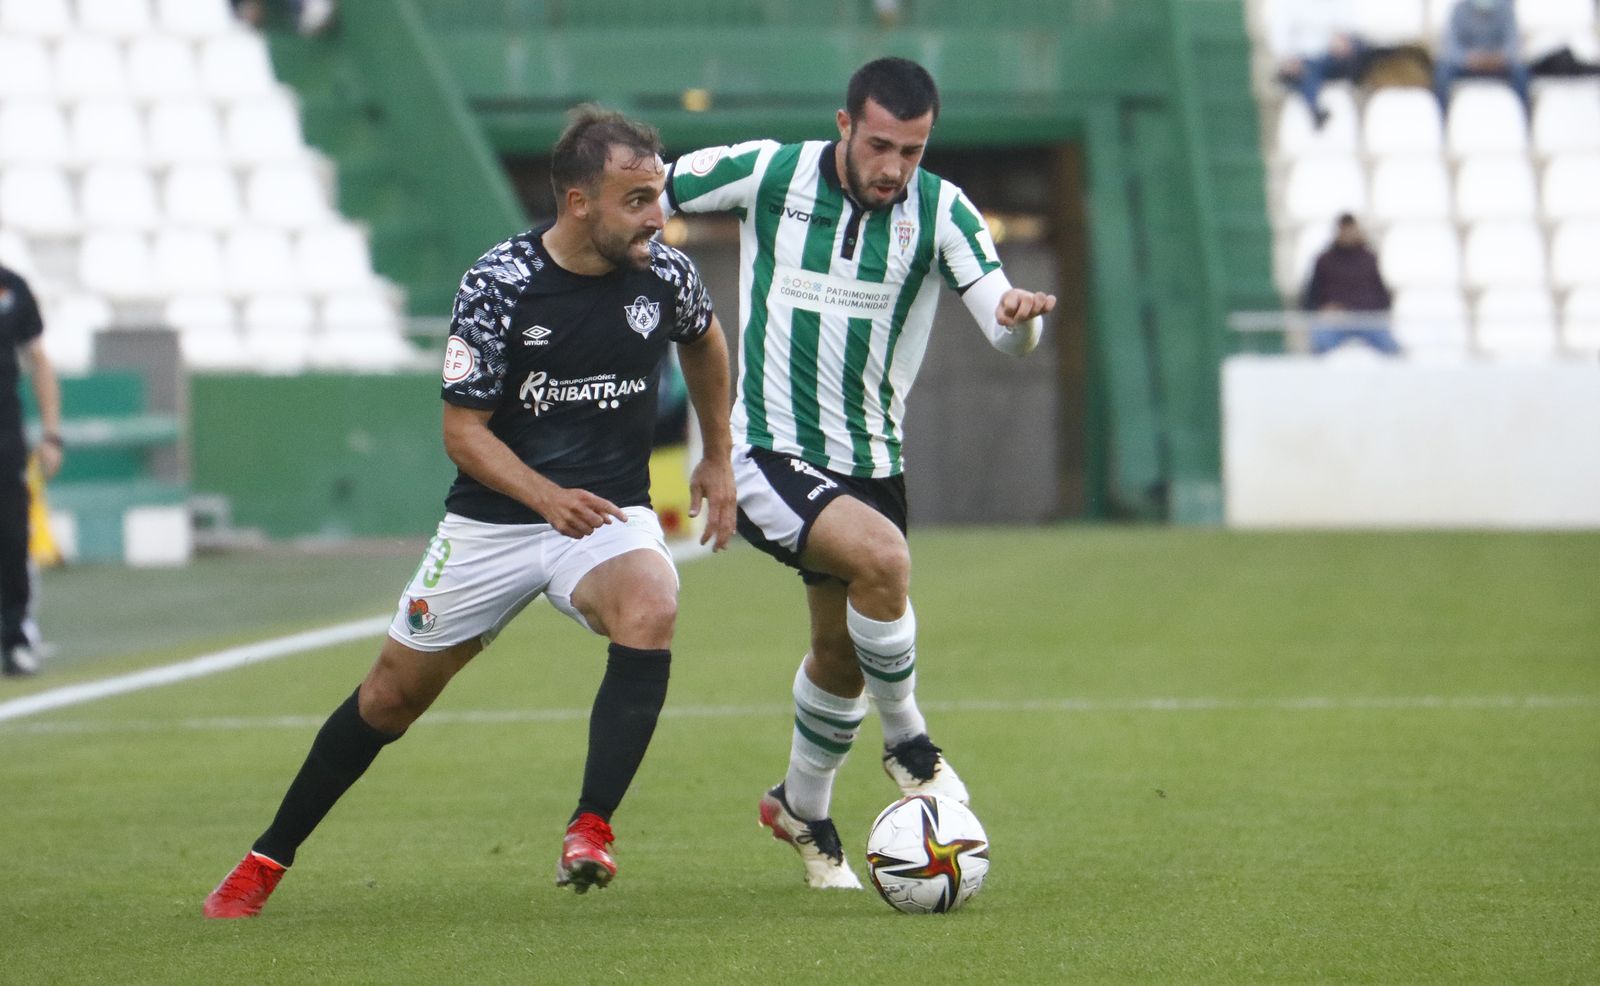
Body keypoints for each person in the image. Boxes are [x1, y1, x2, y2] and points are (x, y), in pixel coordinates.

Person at [202, 105, 736, 918]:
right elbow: (463, 433)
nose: (655, 217)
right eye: (635, 200)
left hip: (604, 517)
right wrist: (545, 496)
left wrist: (717, 455)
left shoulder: (664, 273)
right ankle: (264, 861)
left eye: (656, 196)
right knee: (388, 699)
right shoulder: (501, 283)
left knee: (652, 602)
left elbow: (705, 340)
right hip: (494, 522)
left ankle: (591, 828)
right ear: (578, 202)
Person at [663, 57, 1055, 889]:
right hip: (769, 451)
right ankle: (910, 744)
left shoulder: (942, 210)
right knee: (883, 561)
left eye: (912, 151)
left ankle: (800, 807)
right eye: (880, 145)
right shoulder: (770, 173)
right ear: (844, 125)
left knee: (840, 657)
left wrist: (1022, 321)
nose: (894, 168)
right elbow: (649, 192)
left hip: (873, 466)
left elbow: (1003, 324)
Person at [1, 259, 61, 679]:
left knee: (11, 538)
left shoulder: (11, 287)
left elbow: (38, 358)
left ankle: (16, 638)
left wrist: (52, 434)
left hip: (5, 437)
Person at [1304, 214, 1399, 355]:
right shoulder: (1324, 260)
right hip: (1337, 321)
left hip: (1366, 318)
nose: (1348, 234)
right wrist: (1324, 308)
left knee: (1392, 348)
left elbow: (1382, 295)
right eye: (1344, 230)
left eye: (1351, 229)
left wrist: (1373, 308)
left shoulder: (1369, 259)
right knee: (1321, 342)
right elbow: (1310, 298)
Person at [1268, 0, 1364, 127]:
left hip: (1333, 57)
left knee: (1359, 48)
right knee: (1306, 73)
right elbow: (1280, 36)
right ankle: (1314, 109)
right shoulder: (1286, 4)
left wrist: (1342, 39)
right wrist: (1288, 58)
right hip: (1304, 60)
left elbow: (1348, 26)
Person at [1435, 0, 1532, 116]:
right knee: (1443, 71)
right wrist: (1469, 59)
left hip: (1498, 66)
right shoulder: (1459, 9)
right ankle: (1441, 116)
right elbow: (1451, 47)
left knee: (1520, 71)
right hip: (1467, 66)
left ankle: (1524, 115)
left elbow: (1513, 43)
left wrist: (1499, 58)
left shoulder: (1506, 9)